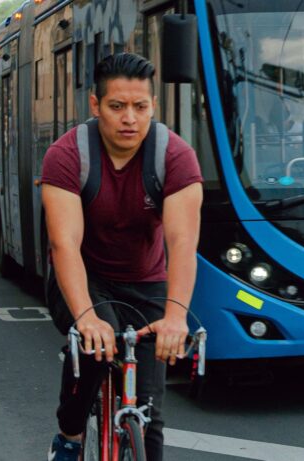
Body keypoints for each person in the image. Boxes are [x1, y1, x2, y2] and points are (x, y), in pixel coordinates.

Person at [41, 53, 203, 461]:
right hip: (83, 276)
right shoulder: (66, 155)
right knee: (99, 343)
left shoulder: (175, 156)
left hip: (146, 281)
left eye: (140, 107)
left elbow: (183, 242)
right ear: (96, 106)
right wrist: (85, 316)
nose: (129, 118)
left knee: (149, 414)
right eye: (117, 107)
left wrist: (177, 314)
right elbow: (65, 244)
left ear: (153, 106)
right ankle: (70, 435)